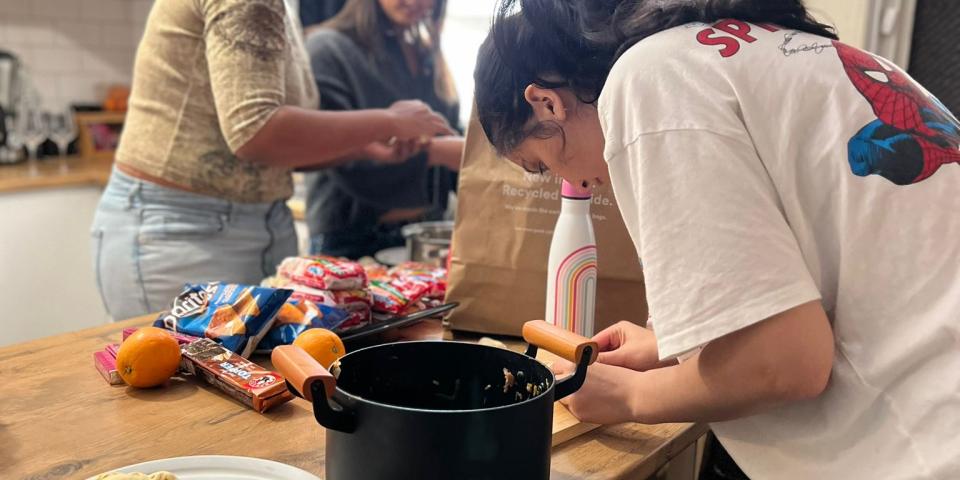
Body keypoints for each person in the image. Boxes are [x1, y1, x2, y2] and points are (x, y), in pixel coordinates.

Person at [474, 0, 960, 478]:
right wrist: (672, 345)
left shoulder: (651, 77)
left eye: (541, 163)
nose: (573, 182)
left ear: (546, 103)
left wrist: (629, 396)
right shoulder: (743, 46)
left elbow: (782, 361)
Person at [91, 0, 453, 320]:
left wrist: (363, 147)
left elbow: (276, 146)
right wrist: (389, 121)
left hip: (250, 227)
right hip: (182, 230)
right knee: (177, 372)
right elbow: (255, 129)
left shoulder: (283, 10)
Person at [302, 0, 464, 259]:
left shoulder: (423, 53)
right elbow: (333, 152)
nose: (415, 1)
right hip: (349, 240)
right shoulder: (327, 48)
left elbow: (451, 133)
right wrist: (437, 152)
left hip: (427, 233)